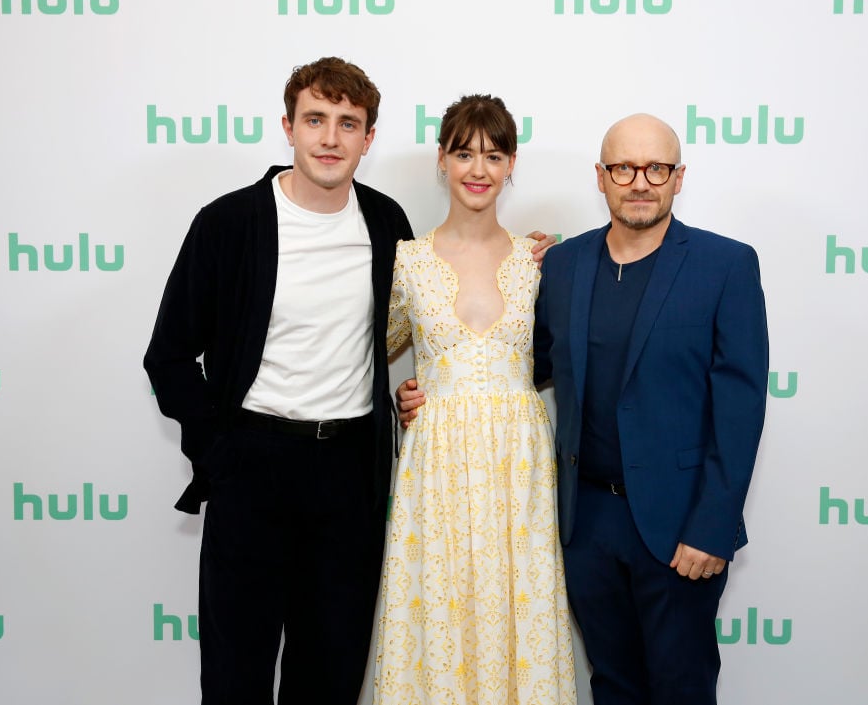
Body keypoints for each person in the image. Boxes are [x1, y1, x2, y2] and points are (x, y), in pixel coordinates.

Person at [400, 113, 768, 705]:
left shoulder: (725, 265)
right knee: (612, 684)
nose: (640, 182)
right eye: (624, 168)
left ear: (679, 177)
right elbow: (522, 358)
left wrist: (713, 527)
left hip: (679, 528)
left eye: (657, 168)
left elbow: (742, 406)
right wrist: (431, 388)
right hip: (584, 523)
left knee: (681, 685)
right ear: (601, 177)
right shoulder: (565, 266)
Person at [143, 57, 414, 705]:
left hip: (350, 478)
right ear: (288, 126)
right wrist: (218, 451)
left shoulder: (385, 223)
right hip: (253, 471)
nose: (330, 137)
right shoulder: (229, 223)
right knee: (237, 673)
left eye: (348, 123)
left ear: (368, 138)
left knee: (331, 673)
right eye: (315, 119)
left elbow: (428, 316)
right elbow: (171, 355)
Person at [373, 95, 576, 705]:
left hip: (518, 464)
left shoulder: (541, 260)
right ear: (442, 160)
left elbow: (564, 353)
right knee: (441, 607)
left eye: (493, 154)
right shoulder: (406, 262)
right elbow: (364, 356)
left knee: (520, 609)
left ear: (512, 163)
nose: (478, 169)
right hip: (436, 465)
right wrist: (401, 397)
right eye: (463, 153)